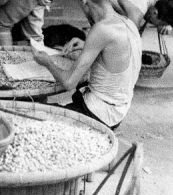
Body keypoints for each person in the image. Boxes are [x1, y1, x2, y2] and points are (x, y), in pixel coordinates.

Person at [33, 0, 142, 130]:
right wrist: (86, 45)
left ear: (85, 2)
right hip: (118, 111)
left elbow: (68, 83)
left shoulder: (102, 28)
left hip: (98, 114)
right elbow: (117, 52)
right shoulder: (129, 23)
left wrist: (47, 62)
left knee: (31, 117)